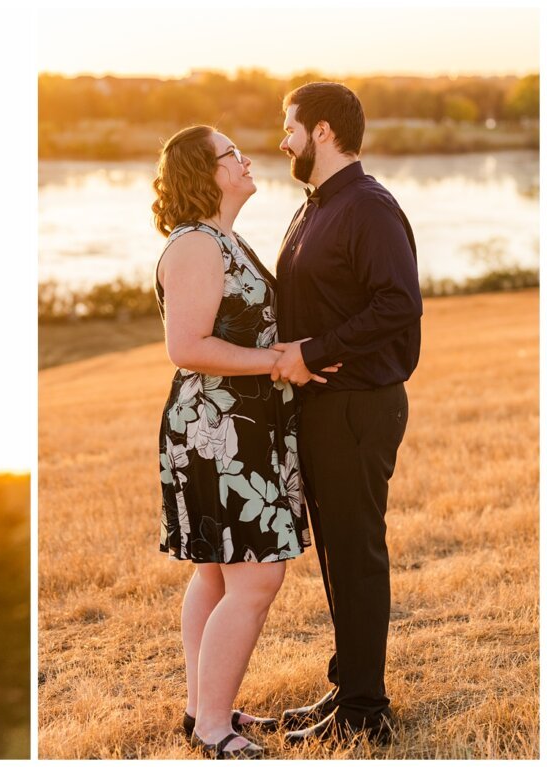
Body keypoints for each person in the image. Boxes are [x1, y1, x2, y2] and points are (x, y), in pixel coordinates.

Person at [153, 125, 340, 759]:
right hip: (219, 432)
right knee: (256, 578)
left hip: (243, 426)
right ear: (205, 173)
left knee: (216, 572)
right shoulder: (197, 246)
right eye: (231, 154)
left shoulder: (223, 239)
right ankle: (212, 729)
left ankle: (200, 710)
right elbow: (188, 347)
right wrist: (280, 359)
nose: (246, 159)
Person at [270, 82, 422, 744]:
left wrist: (315, 352)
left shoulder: (368, 206)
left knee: (357, 554)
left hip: (360, 404)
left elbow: (399, 305)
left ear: (322, 132)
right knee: (336, 555)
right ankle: (349, 688)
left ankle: (367, 713)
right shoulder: (316, 207)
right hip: (325, 407)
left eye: (289, 127)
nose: (282, 140)